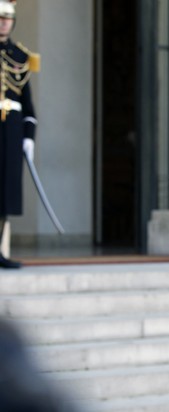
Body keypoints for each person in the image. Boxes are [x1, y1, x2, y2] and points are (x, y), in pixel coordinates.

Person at [0, 0, 39, 268]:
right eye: (0, 17)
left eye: (8, 18)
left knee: (6, 191)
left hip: (10, 130)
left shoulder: (20, 56)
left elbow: (28, 105)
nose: (3, 22)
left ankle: (0, 252)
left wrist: (28, 136)